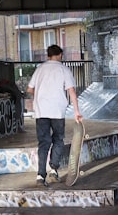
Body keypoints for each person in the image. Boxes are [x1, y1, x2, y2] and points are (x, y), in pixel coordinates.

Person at [28, 44, 83, 186]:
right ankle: (53, 169)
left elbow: (29, 89)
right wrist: (77, 111)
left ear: (48, 55)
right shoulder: (63, 69)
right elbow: (71, 92)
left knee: (43, 142)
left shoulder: (40, 69)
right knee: (58, 139)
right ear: (59, 55)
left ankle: (40, 175)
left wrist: (41, 97)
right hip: (57, 111)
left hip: (41, 111)